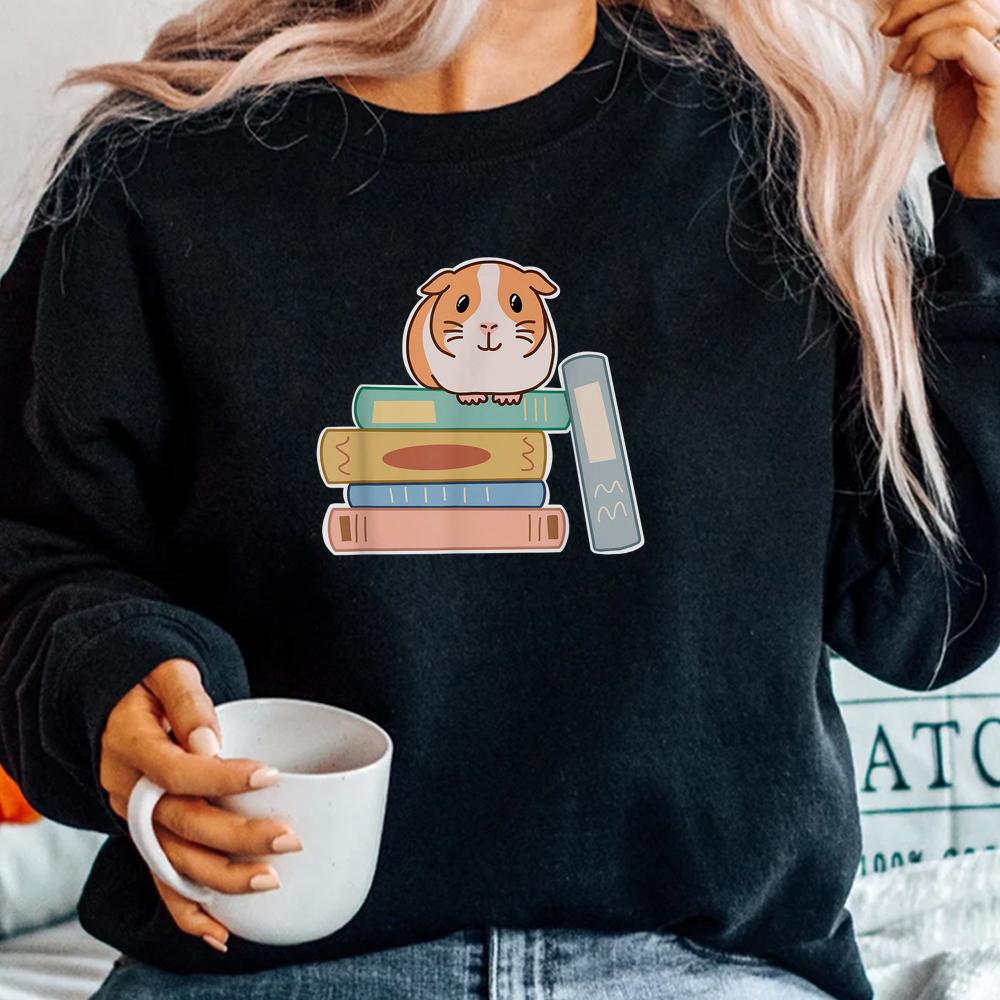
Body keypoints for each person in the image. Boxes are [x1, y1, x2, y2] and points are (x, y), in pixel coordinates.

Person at [1, 0, 998, 997]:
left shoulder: (785, 144)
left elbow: (922, 610)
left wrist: (991, 214)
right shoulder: (157, 170)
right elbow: (33, 554)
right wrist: (109, 682)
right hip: (262, 966)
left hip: (692, 966)